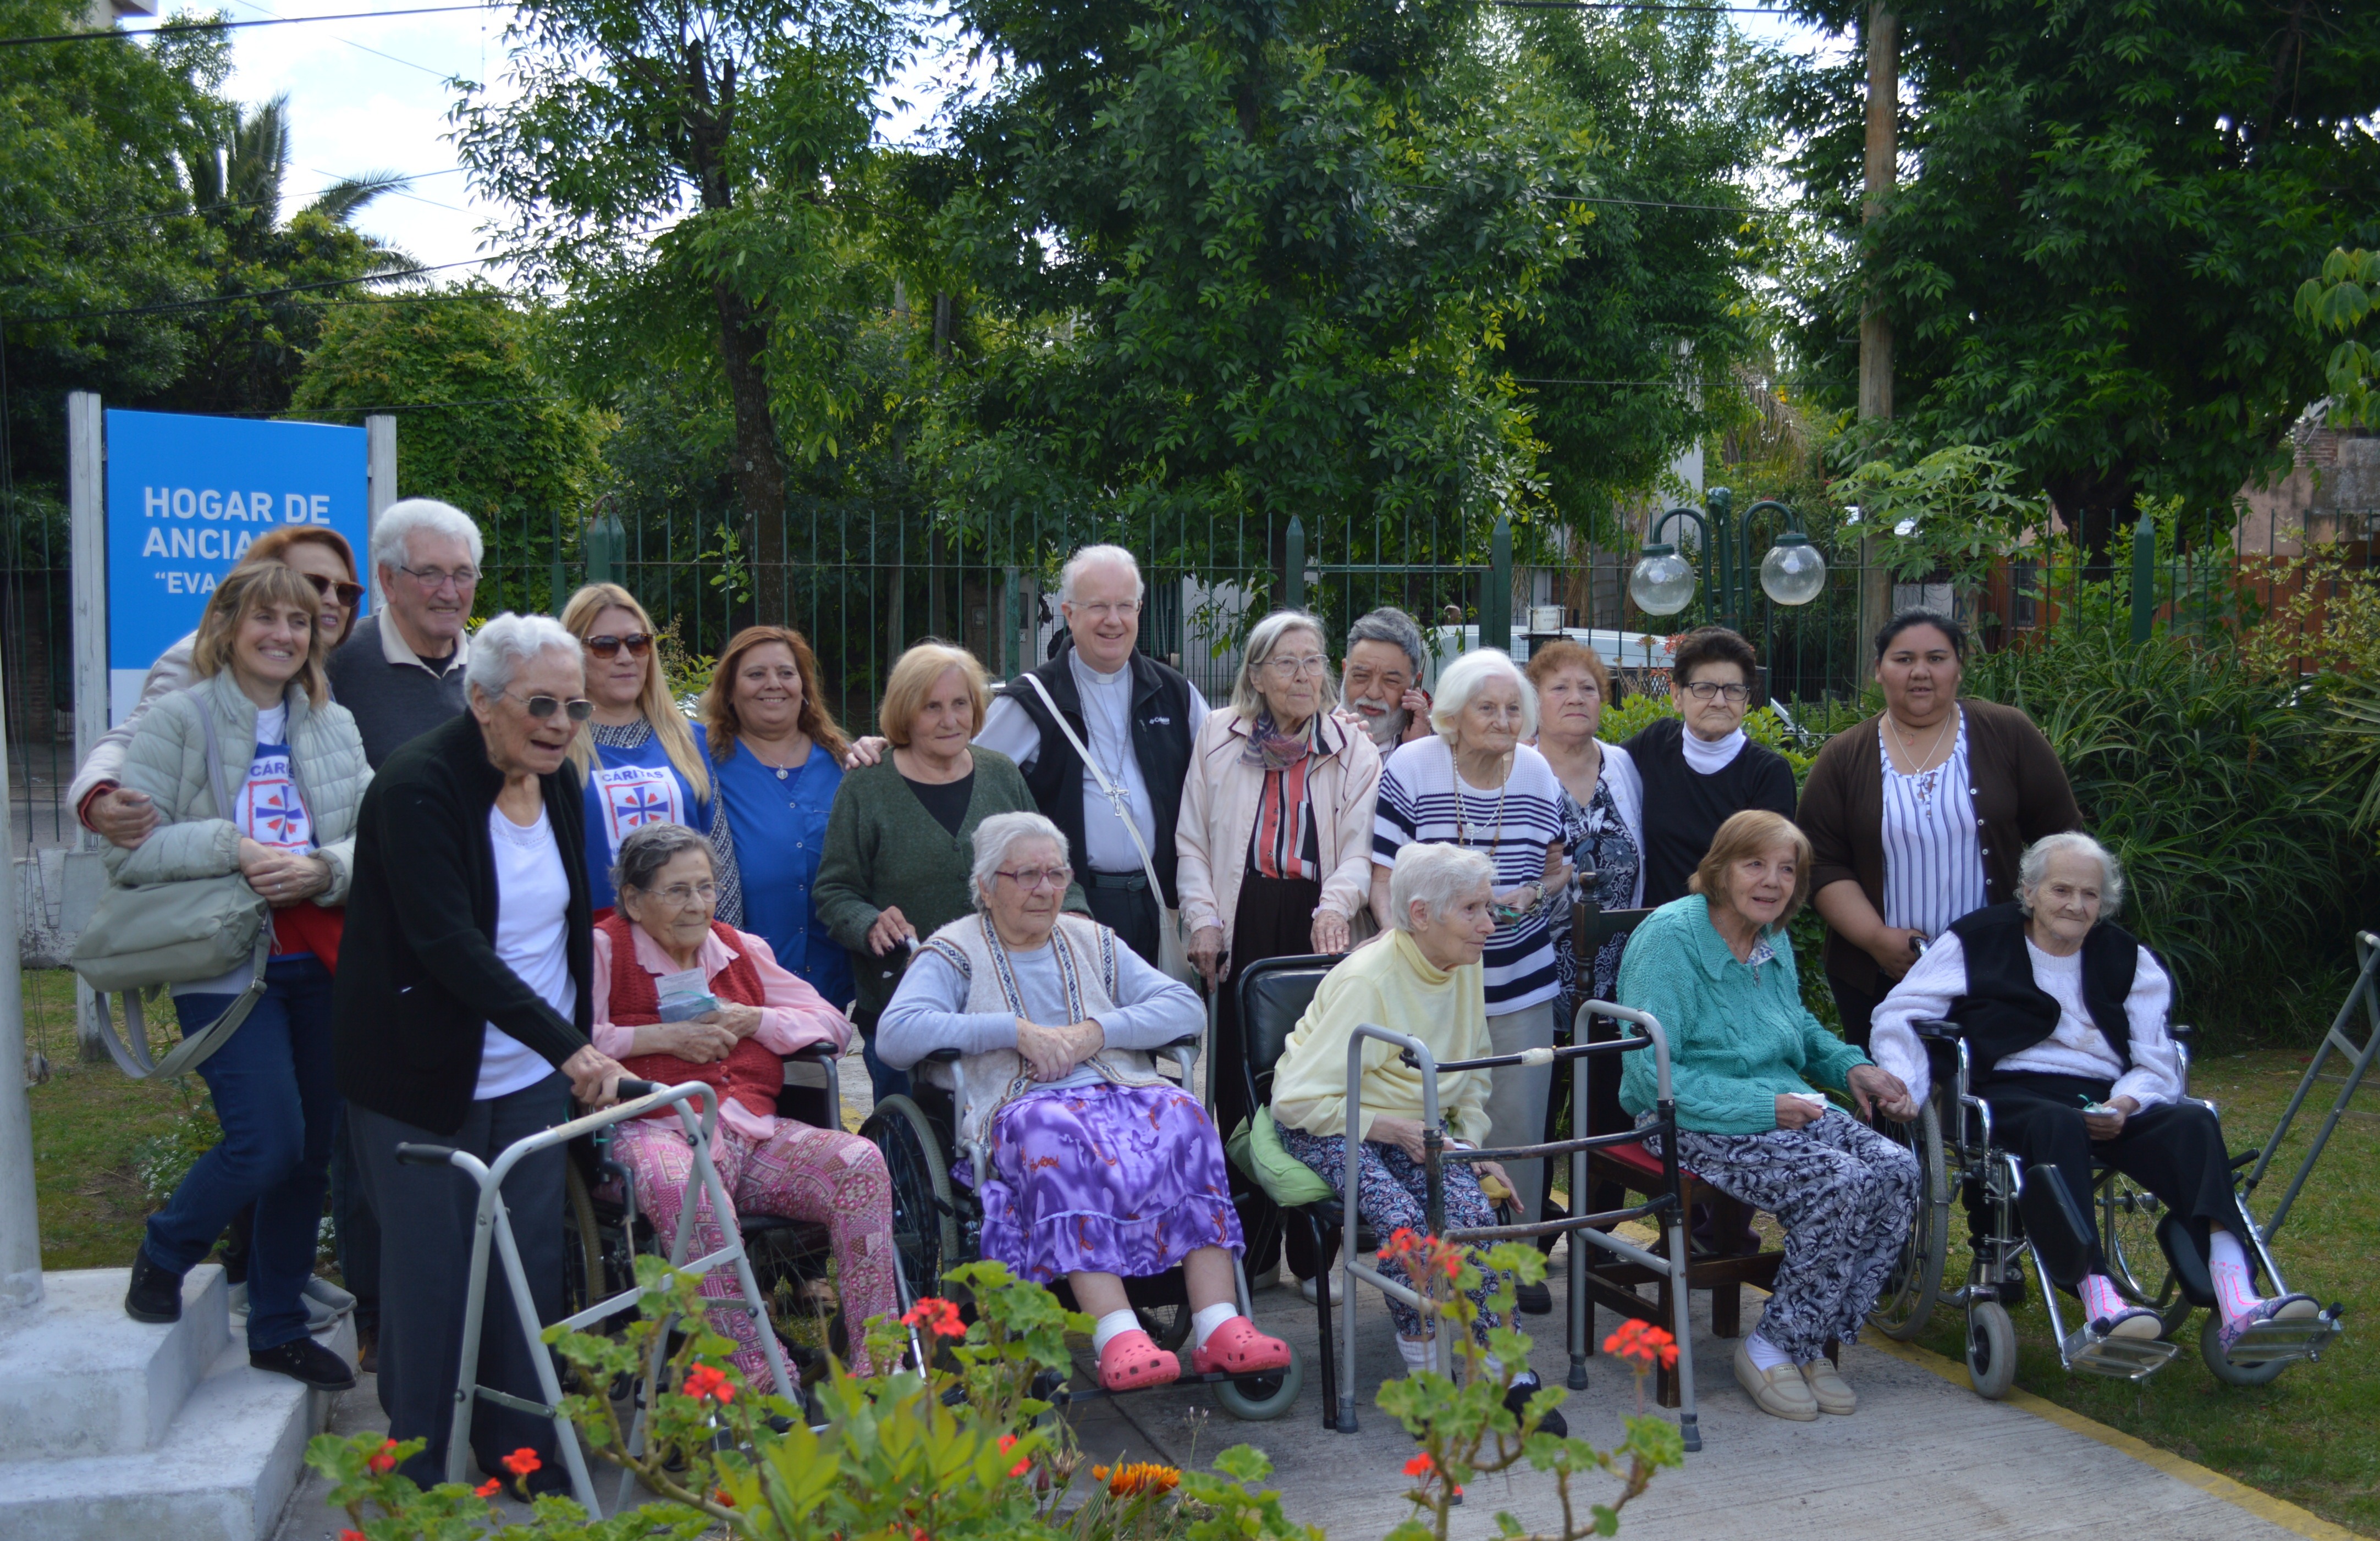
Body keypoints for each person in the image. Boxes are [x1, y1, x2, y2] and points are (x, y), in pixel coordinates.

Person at [334, 612, 628, 1493]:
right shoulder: (417, 785)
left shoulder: (561, 780)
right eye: (540, 704)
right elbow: (449, 945)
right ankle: (417, 1473)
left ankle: (518, 1453)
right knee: (431, 1282)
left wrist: (568, 1044)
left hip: (529, 1077)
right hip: (421, 1075)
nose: (560, 723)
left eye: (574, 706)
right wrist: (573, 1045)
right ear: (479, 699)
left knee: (525, 1270)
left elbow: (572, 924)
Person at [876, 812, 1292, 1391]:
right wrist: (1012, 1030)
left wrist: (1094, 1032)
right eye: (1026, 874)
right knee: (1056, 1131)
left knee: (1185, 1116)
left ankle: (1219, 1323)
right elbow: (896, 1035)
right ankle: (1117, 1332)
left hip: (1118, 1092)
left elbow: (1184, 1007)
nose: (1045, 888)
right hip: (1022, 1107)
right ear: (986, 885)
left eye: (1055, 872)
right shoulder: (955, 949)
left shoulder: (1092, 939)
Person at [1868, 831, 2320, 1352]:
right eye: (2062, 890)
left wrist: (2124, 1104)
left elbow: (2156, 1061)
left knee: (2195, 1121)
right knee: (2056, 1123)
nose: (2076, 905)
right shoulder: (1976, 940)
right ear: (2029, 891)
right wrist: (1907, 1083)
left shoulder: (2129, 959)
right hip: (2011, 1093)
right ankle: (2099, 1296)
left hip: (2105, 1097)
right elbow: (1899, 1013)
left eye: (2090, 895)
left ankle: (2236, 1295)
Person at [111, 564, 370, 1394]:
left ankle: (279, 1325)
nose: (286, 635)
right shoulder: (178, 719)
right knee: (266, 1138)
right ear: (229, 623)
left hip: (319, 959)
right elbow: (129, 850)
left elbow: (376, 836)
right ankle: (169, 1245)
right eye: (268, 618)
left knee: (307, 1156)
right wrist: (233, 846)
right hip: (225, 960)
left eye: (300, 622)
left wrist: (324, 866)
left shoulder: (334, 724)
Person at [1615, 809, 1918, 1422]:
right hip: (1684, 1114)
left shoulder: (1769, 936)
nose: (1771, 881)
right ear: (1720, 868)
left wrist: (1848, 1067)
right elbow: (1650, 1072)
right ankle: (1771, 1346)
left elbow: (1795, 1027)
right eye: (1755, 864)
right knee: (1839, 1179)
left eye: (1787, 869)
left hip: (1778, 1102)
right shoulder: (1670, 938)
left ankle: (1804, 1338)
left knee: (1896, 1169)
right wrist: (1760, 1106)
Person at [1268, 842, 1567, 1434]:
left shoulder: (1463, 959)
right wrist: (1387, 1128)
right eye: (1473, 910)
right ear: (1423, 914)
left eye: (1488, 906)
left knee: (1468, 1213)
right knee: (1409, 1228)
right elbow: (1295, 1099)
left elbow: (1471, 1074)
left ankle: (1503, 1369)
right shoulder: (1368, 979)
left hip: (1419, 1126)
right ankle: (1428, 1382)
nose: (1490, 923)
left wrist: (1468, 1151)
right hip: (1333, 1122)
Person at [593, 822, 897, 1376]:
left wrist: (753, 1018)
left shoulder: (738, 948)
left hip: (749, 1132)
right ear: (634, 901)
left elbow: (832, 1024)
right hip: (653, 1132)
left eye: (705, 888)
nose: (696, 904)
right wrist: (660, 1038)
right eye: (677, 890)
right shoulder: (603, 949)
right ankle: (758, 1377)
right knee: (689, 1183)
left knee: (859, 1162)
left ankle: (880, 1365)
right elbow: (576, 1042)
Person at [1369, 648, 1570, 1291]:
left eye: (1515, 708)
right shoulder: (1413, 765)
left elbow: (1557, 866)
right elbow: (1382, 878)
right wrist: (1404, 952)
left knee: (1517, 1124)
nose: (1504, 719)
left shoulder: (1537, 772)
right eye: (1487, 707)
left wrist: (1532, 895)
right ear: (1453, 713)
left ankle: (1516, 1261)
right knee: (1431, 1120)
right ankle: (1440, 1261)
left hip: (1518, 977)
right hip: (1430, 977)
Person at [1797, 610, 2080, 1048]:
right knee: (1894, 1104)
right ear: (1878, 670)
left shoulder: (2008, 733)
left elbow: (2063, 842)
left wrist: (2038, 930)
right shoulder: (1844, 757)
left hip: (1999, 968)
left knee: (1993, 1090)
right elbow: (1821, 863)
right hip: (1879, 974)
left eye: (1936, 658)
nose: (1921, 673)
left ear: (1959, 668)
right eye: (1904, 659)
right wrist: (1876, 939)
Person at [815, 643, 1069, 1103]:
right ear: (905, 712)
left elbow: (1048, 861)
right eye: (931, 706)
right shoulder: (867, 785)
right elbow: (835, 890)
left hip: (1002, 1000)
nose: (950, 720)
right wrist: (868, 922)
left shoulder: (1001, 774)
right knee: (914, 1153)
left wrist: (1076, 913)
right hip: (903, 1007)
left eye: (960, 704)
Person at [1178, 609, 1382, 1139]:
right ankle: (1244, 1205)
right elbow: (1193, 843)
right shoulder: (1218, 736)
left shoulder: (1352, 745)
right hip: (1240, 914)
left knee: (1311, 1069)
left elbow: (1361, 852)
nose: (1303, 675)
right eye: (1287, 662)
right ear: (1256, 676)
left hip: (1317, 919)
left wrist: (1336, 906)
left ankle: (1305, 1213)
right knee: (1238, 1071)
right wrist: (1203, 919)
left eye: (1313, 661)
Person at [976, 544, 1209, 968]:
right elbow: (966, 774)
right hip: (1068, 907)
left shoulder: (1175, 694)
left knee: (1151, 1031)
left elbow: (1230, 762)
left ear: (1139, 609)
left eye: (1125, 605)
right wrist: (890, 746)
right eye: (1098, 606)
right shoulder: (1031, 699)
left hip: (1158, 906)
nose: (1113, 620)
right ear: (1069, 612)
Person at [72, 526, 365, 846]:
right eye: (314, 583)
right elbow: (131, 741)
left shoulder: (315, 677)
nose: (331, 600)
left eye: (345, 591)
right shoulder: (195, 659)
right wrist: (98, 798)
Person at [695, 625, 853, 1006]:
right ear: (730, 691)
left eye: (786, 673)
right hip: (742, 977)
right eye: (755, 674)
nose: (773, 684)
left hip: (830, 978)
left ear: (804, 687)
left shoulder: (844, 763)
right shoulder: (705, 765)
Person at [557, 583, 731, 917]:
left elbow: (720, 854)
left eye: (638, 643)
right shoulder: (557, 743)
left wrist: (723, 947)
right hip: (597, 948)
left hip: (688, 943)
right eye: (605, 646)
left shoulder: (689, 739)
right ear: (573, 654)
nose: (625, 658)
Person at [1622, 626, 1797, 909]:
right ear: (1677, 696)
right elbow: (1599, 768)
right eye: (1704, 688)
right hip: (1654, 932)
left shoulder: (1767, 773)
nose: (1719, 701)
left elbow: (1767, 876)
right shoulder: (1655, 744)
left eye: (1733, 690)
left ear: (1747, 699)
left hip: (1732, 935)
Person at [327, 498, 481, 768]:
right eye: (430, 573)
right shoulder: (338, 664)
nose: (449, 592)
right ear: (389, 581)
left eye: (463, 574)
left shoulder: (490, 671)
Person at [1338, 606, 1434, 752]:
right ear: (1345, 670)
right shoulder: (1312, 733)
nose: (1373, 693)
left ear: (1415, 683)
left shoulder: (1438, 747)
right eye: (1361, 676)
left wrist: (1418, 752)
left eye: (1391, 681)